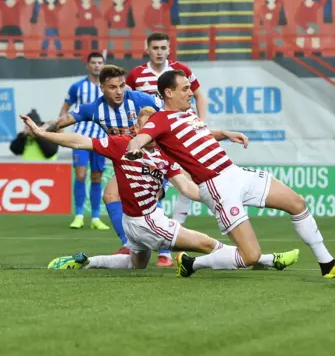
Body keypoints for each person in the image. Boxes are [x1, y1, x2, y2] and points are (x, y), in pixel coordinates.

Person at [21, 109, 299, 272]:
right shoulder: (122, 145)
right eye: (145, 125)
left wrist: (222, 197)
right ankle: (265, 260)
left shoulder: (167, 157)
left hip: (135, 222)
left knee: (136, 265)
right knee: (208, 244)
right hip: (147, 221)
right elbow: (80, 141)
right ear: (138, 128)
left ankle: (85, 261)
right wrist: (43, 133)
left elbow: (188, 188)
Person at [125, 70, 335, 278]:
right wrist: (134, 149)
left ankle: (327, 263)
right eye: (185, 89)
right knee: (251, 256)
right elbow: (140, 139)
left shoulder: (188, 115)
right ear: (168, 93)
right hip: (217, 187)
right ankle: (192, 263)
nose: (191, 93)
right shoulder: (161, 119)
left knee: (297, 203)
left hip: (235, 172)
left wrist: (225, 134)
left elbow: (202, 134)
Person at [38, 64, 176, 266]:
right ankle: (128, 244)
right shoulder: (95, 108)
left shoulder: (141, 100)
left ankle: (165, 254)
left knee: (151, 197)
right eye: (113, 87)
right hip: (127, 165)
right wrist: (39, 128)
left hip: (157, 159)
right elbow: (63, 120)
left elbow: (172, 114)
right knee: (110, 195)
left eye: (122, 85)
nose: (119, 91)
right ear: (102, 88)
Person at [126, 31, 209, 261]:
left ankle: (168, 243)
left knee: (187, 179)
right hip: (153, 137)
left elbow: (199, 96)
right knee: (156, 187)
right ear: (148, 49)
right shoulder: (136, 75)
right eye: (155, 48)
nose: (159, 52)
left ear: (169, 49)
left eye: (163, 47)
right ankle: (143, 242)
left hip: (179, 133)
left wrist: (201, 122)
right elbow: (128, 103)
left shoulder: (180, 71)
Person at [60, 52, 110, 231]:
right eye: (93, 62)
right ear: (87, 65)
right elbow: (65, 109)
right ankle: (79, 215)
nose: (97, 65)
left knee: (96, 178)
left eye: (100, 62)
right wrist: (61, 130)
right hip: (80, 138)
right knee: (80, 175)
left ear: (104, 65)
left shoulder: (109, 87)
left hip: (100, 139)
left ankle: (96, 217)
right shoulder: (77, 87)